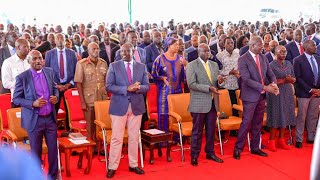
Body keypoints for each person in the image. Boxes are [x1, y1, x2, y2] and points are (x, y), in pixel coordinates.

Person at [12, 50, 59, 180]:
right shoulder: (23, 77)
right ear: (29, 61)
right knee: (36, 152)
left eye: (40, 58)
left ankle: (53, 176)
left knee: (53, 151)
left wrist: (56, 96)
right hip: (35, 120)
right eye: (34, 59)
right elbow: (16, 99)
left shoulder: (49, 72)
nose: (38, 61)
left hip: (50, 119)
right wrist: (33, 103)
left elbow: (54, 88)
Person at [106, 43, 149, 178]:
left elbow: (147, 86)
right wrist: (126, 89)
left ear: (133, 51)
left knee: (134, 137)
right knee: (117, 138)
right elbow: (108, 86)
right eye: (123, 51)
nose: (125, 53)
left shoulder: (141, 66)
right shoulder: (114, 66)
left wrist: (138, 88)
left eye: (127, 51)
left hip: (136, 106)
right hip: (119, 106)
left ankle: (133, 164)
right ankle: (112, 166)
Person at [233, 36, 279, 160]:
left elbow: (270, 74)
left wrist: (273, 84)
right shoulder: (243, 59)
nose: (262, 47)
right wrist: (265, 87)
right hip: (250, 96)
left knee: (258, 123)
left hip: (262, 95)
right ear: (252, 46)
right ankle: (238, 148)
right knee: (246, 122)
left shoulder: (263, 57)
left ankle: (255, 147)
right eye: (260, 45)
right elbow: (246, 80)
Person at [186, 43, 224, 166]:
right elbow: (191, 84)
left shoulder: (214, 65)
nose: (207, 53)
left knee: (211, 130)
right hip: (199, 102)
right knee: (197, 131)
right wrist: (208, 88)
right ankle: (194, 155)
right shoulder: (192, 65)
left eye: (209, 51)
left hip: (213, 102)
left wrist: (220, 82)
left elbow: (217, 84)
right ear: (199, 52)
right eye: (205, 51)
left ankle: (210, 152)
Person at [74, 42, 108, 140]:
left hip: (102, 99)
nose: (96, 50)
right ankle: (91, 148)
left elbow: (106, 81)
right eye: (93, 49)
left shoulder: (103, 63)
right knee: (90, 126)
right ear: (88, 51)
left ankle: (100, 147)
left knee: (101, 125)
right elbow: (78, 83)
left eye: (97, 48)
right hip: (89, 100)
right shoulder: (82, 64)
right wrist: (82, 102)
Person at [151, 37, 187, 131]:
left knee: (176, 113)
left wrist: (186, 66)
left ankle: (176, 138)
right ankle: (164, 139)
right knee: (164, 114)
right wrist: (161, 78)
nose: (177, 46)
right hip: (165, 93)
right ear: (168, 46)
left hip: (178, 91)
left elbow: (185, 76)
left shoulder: (180, 58)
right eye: (175, 45)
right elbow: (153, 75)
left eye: (178, 45)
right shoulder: (160, 59)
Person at [45, 33, 78, 131]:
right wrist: (56, 85)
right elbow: (46, 71)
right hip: (55, 86)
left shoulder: (72, 53)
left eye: (62, 38)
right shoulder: (49, 54)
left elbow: (76, 71)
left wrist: (70, 84)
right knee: (54, 108)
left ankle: (69, 129)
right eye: (58, 38)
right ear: (55, 41)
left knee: (70, 109)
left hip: (69, 85)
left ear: (65, 40)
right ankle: (53, 129)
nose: (60, 40)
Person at [266, 45, 295, 152]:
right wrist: (284, 81)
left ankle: (281, 139)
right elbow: (268, 82)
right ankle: (271, 140)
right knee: (276, 115)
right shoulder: (271, 65)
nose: (283, 53)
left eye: (285, 51)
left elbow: (293, 78)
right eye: (281, 51)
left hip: (287, 91)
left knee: (286, 114)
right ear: (275, 53)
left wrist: (290, 80)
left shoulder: (289, 63)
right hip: (275, 93)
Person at [293, 40, 320, 149]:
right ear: (306, 47)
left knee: (313, 116)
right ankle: (299, 139)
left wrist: (318, 89)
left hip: (317, 92)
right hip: (304, 93)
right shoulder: (298, 60)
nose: (316, 47)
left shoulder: (318, 58)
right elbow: (298, 78)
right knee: (301, 116)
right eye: (313, 45)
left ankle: (311, 137)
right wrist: (310, 90)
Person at [1, 38, 30, 107]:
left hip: (32, 99)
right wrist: (22, 84)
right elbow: (6, 83)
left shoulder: (31, 60)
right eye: (25, 47)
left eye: (28, 47)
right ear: (18, 48)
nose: (28, 49)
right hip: (18, 99)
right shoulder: (8, 62)